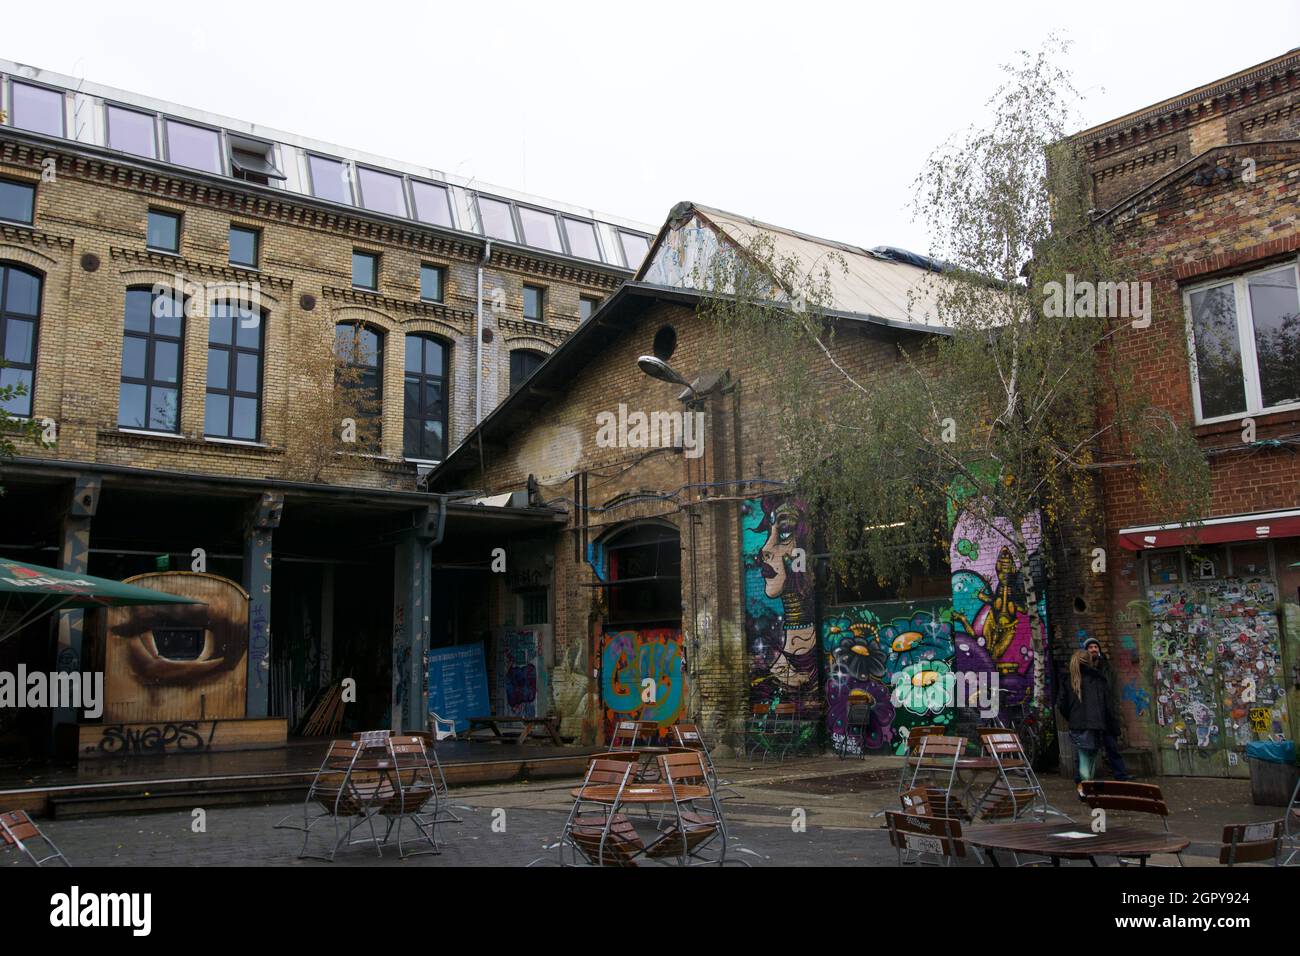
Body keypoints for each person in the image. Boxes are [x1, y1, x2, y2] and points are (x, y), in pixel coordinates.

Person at [1056, 637, 1121, 799]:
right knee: (1090, 757)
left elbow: (1061, 703)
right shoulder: (1097, 678)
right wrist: (1111, 724)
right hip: (1097, 724)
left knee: (1083, 757)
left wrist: (1072, 717)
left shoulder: (1069, 679)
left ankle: (1085, 788)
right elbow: (1107, 704)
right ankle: (1086, 788)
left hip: (1078, 724)